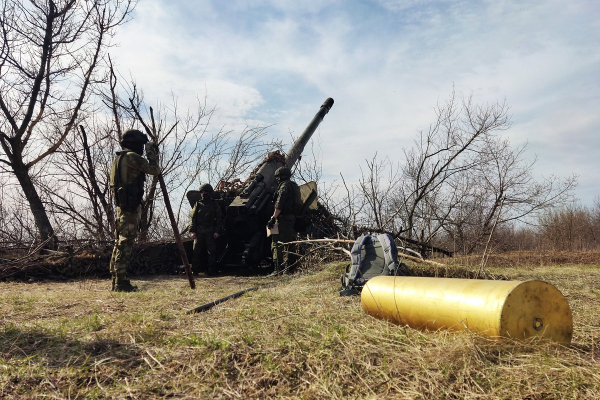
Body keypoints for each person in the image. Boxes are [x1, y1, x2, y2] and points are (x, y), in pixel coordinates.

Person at [109, 129, 160, 292]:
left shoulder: (118, 159)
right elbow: (154, 170)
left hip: (121, 207)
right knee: (125, 243)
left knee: (119, 243)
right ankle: (121, 282)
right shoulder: (132, 157)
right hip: (129, 208)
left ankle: (116, 279)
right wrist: (151, 152)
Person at [268, 166, 302, 274]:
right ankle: (289, 268)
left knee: (276, 243)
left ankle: (277, 269)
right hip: (291, 219)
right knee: (290, 242)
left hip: (281, 218)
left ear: (281, 177)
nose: (277, 179)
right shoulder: (295, 186)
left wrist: (273, 218)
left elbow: (279, 204)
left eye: (278, 177)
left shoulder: (284, 187)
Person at [188, 183, 224, 276]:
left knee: (212, 252)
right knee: (196, 252)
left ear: (209, 192)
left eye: (205, 192)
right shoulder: (198, 204)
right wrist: (192, 231)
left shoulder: (214, 204)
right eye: (202, 192)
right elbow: (193, 218)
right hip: (199, 232)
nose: (203, 193)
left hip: (210, 231)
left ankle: (211, 270)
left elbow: (219, 219)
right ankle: (195, 271)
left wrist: (217, 231)